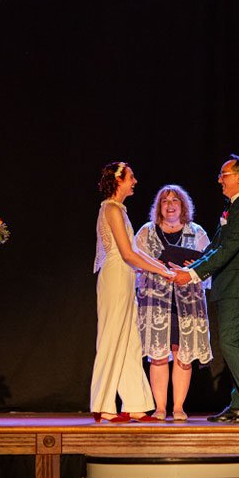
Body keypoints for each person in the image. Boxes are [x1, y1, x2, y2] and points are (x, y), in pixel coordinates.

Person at [173, 155, 239, 424]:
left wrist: (191, 275)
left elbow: (227, 250)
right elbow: (215, 246)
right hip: (230, 285)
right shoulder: (234, 208)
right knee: (238, 345)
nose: (219, 180)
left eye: (223, 175)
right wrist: (197, 264)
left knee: (229, 342)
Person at [91, 162, 173, 422]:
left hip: (125, 276)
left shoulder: (120, 210)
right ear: (119, 180)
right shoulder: (111, 208)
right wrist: (160, 272)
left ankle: (135, 403)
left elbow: (134, 252)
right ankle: (103, 403)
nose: (135, 181)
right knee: (112, 335)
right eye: (131, 177)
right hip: (115, 275)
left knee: (129, 340)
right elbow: (126, 253)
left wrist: (161, 266)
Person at [135, 185, 213, 421]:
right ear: (159, 207)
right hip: (156, 302)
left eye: (175, 201)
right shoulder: (147, 232)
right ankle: (160, 408)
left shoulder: (195, 232)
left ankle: (178, 407)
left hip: (186, 302)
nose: (170, 205)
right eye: (165, 201)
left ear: (183, 206)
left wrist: (192, 267)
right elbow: (134, 262)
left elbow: (208, 266)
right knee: (158, 356)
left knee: (182, 354)